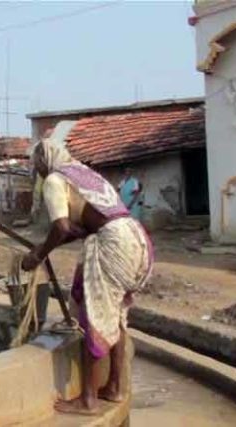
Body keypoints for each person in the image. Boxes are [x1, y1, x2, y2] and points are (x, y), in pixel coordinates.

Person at [21, 141, 153, 415]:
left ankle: (88, 399)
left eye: (36, 166)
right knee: (115, 315)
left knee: (93, 316)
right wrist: (56, 241)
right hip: (136, 238)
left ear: (45, 161)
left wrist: (38, 255)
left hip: (112, 243)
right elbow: (79, 227)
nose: (37, 172)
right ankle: (114, 387)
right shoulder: (83, 174)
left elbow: (60, 227)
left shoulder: (56, 180)